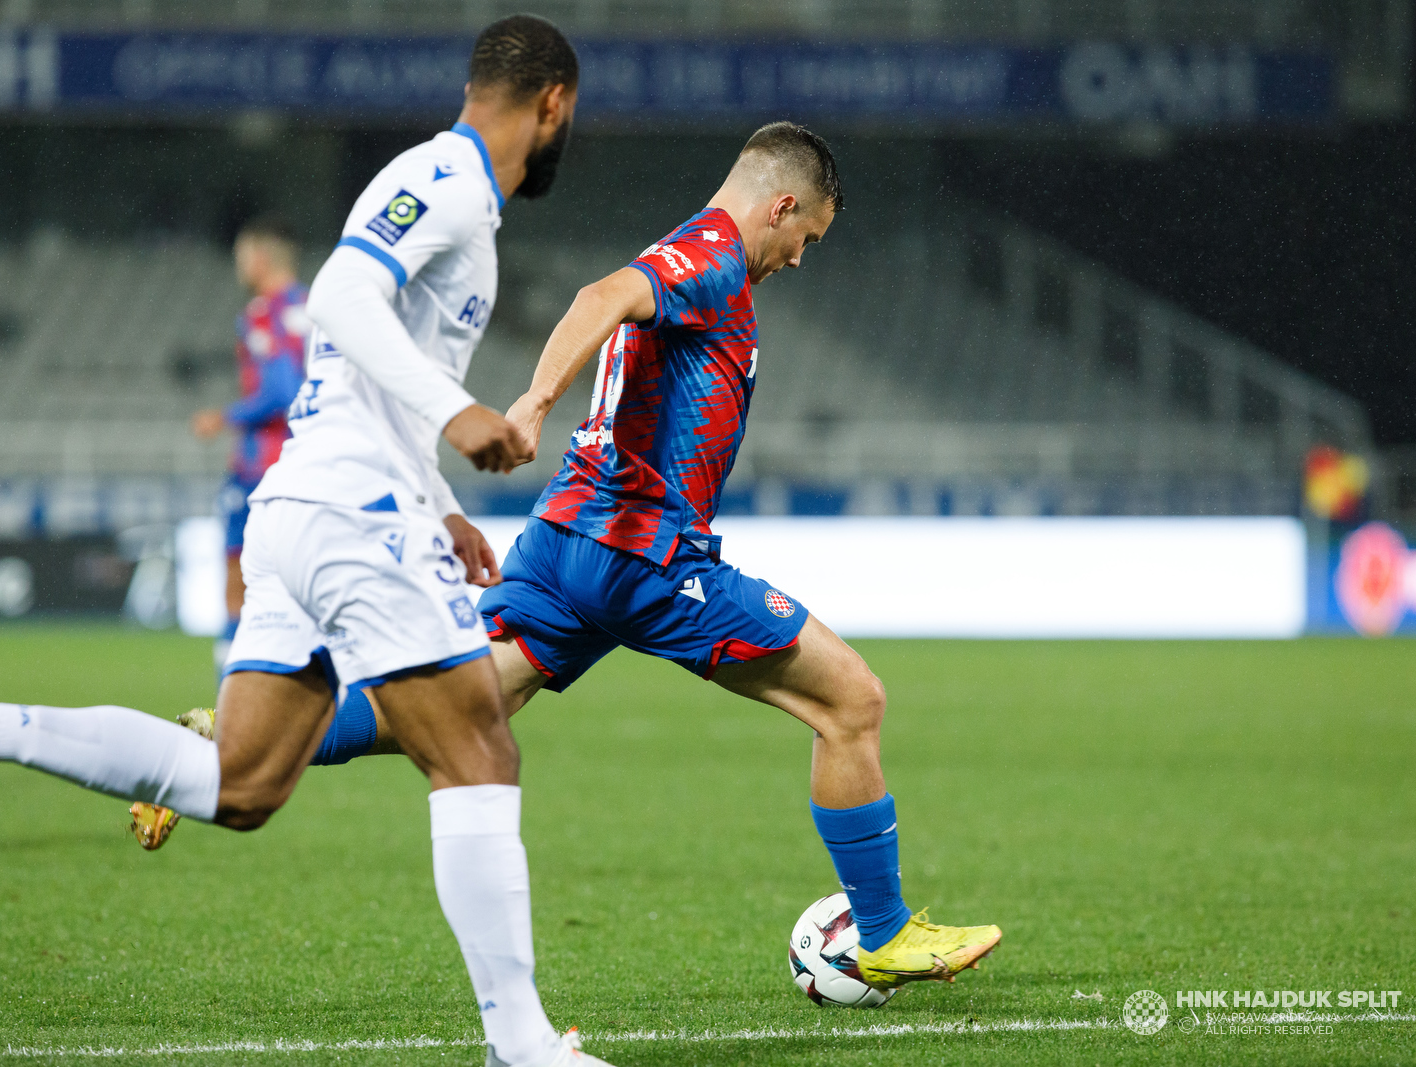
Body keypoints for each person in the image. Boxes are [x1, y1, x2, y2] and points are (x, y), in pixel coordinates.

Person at [0, 16, 615, 1067]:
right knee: (476, 743)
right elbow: (337, 297)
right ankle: (521, 1044)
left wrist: (438, 499)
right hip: (348, 508)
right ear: (553, 102)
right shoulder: (447, 176)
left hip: (310, 502)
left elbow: (356, 375)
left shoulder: (454, 192)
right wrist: (457, 413)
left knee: (244, 781)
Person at [267, 123, 1004, 990]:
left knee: (455, 706)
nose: (801, 259)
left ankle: (239, 747)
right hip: (642, 552)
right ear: (782, 206)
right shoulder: (716, 253)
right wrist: (535, 404)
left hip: (562, 542)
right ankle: (879, 930)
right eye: (806, 240)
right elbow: (598, 295)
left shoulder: (690, 250)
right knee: (852, 700)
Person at [190, 215, 310, 669]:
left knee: (237, 580)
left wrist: (223, 417)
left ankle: (233, 688)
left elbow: (284, 392)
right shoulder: (319, 308)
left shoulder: (262, 313)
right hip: (313, 464)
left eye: (242, 256)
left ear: (259, 258)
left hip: (262, 467)